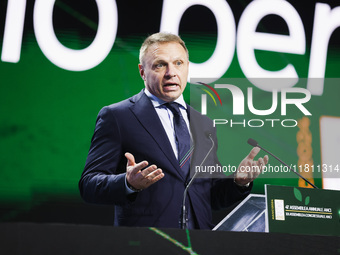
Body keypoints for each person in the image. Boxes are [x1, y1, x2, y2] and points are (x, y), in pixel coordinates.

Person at [79, 32, 268, 229]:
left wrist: (238, 182)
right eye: (160, 65)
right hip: (146, 242)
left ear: (187, 68)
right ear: (142, 71)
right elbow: (89, 185)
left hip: (198, 243)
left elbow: (209, 195)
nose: (171, 72)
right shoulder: (118, 116)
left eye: (178, 63)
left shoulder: (204, 123)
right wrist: (128, 183)